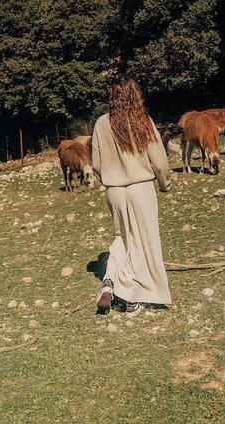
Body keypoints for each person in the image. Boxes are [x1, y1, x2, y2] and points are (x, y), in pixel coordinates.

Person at [91, 78, 172, 316]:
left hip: (114, 190)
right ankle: (133, 297)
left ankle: (109, 280)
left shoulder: (101, 123)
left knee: (122, 237)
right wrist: (164, 183)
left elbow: (96, 164)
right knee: (144, 242)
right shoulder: (142, 121)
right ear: (134, 96)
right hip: (140, 188)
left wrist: (108, 177)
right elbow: (159, 160)